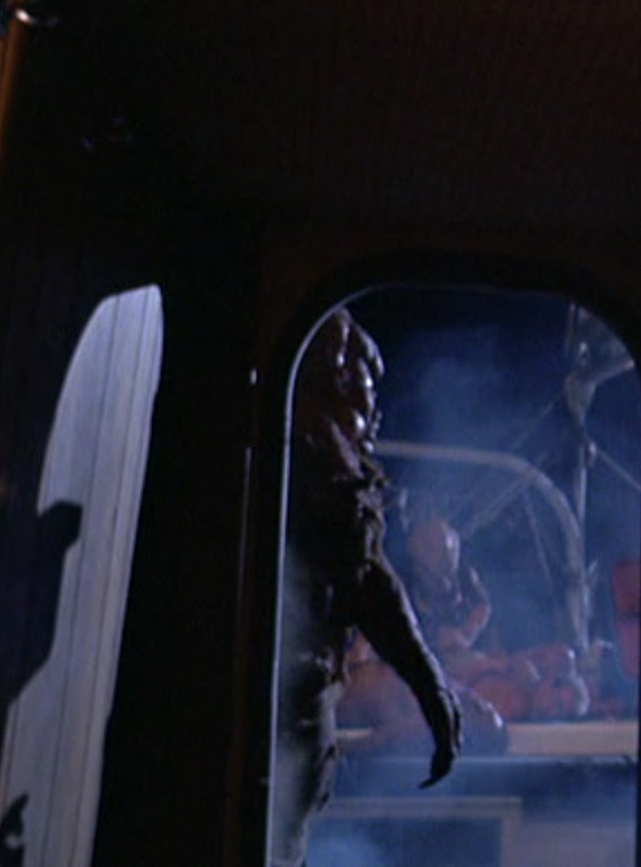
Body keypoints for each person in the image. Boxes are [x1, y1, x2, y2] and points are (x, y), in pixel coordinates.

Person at [269, 308, 464, 867]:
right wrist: (432, 687)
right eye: (363, 387)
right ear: (329, 380)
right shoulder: (319, 454)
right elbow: (366, 579)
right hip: (287, 713)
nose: (373, 411)